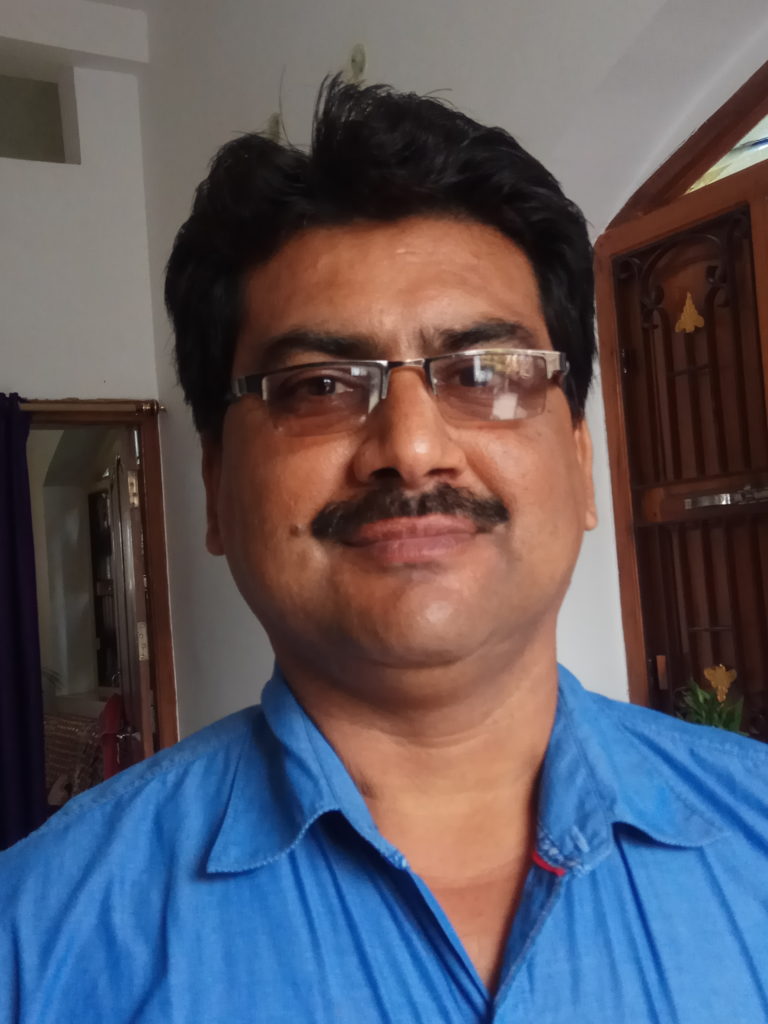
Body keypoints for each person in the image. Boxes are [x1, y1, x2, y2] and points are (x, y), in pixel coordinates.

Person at [2, 76, 767, 1024]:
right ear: (216, 485)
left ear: (579, 462)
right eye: (319, 385)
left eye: (484, 372)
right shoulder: (35, 943)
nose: (411, 446)